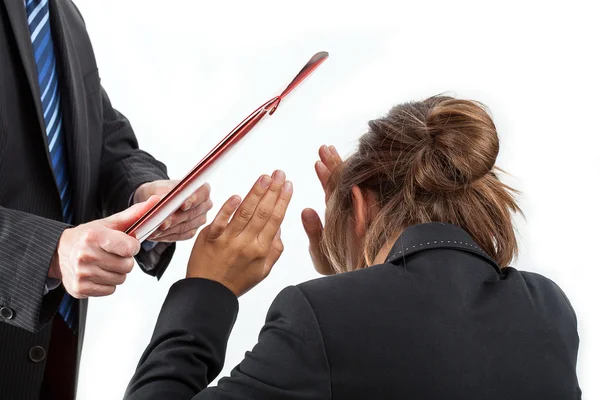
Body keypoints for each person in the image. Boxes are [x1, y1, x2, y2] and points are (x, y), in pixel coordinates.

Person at [125, 95, 581, 399]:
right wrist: (356, 278)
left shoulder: (319, 314)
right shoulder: (549, 310)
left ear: (360, 205)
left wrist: (208, 290)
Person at [0, 1, 213, 399]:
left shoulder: (58, 12)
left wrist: (147, 192)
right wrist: (49, 251)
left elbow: (98, 132)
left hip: (54, 344)